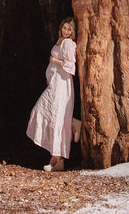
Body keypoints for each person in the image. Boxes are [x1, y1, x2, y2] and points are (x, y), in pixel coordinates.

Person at [26, 16, 77, 172]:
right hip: (54, 82)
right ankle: (74, 127)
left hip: (62, 84)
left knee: (56, 115)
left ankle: (55, 159)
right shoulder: (59, 41)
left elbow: (70, 65)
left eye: (69, 29)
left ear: (73, 32)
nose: (66, 31)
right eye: (64, 28)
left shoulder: (68, 43)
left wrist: (55, 62)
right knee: (47, 112)